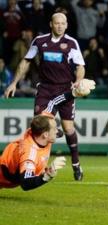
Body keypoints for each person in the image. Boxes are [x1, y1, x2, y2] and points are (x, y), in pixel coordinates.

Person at [4, 13, 86, 181]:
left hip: (65, 89)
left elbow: (80, 66)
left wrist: (78, 81)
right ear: (51, 24)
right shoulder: (40, 41)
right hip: (45, 90)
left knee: (69, 128)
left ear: (66, 25)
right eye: (57, 23)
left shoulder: (71, 43)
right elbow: (26, 61)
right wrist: (14, 83)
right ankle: (34, 164)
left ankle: (76, 164)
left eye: (63, 23)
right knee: (40, 127)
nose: (60, 26)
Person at [0, 113, 67, 191]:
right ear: (45, 134)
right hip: (4, 178)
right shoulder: (30, 154)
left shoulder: (40, 134)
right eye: (55, 128)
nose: (57, 131)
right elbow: (26, 183)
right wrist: (47, 176)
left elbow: (59, 133)